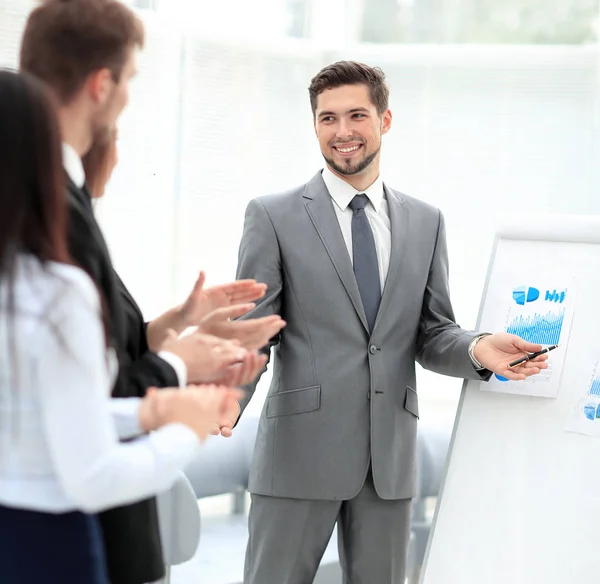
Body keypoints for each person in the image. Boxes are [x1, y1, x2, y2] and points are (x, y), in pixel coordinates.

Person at [234, 60, 549, 584]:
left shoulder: (426, 222)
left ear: (384, 120)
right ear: (314, 126)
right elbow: (254, 327)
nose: (342, 132)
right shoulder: (272, 215)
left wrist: (477, 349)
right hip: (297, 454)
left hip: (389, 460)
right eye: (327, 118)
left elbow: (432, 331)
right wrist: (226, 395)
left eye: (356, 114)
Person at [19, 2, 285, 582]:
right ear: (101, 85)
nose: (128, 101)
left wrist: (173, 327)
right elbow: (84, 395)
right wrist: (178, 369)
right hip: (75, 529)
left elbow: (83, 352)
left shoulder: (52, 200)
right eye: (131, 81)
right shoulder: (51, 213)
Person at [0, 68, 241, 584]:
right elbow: (92, 473)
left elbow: (42, 419)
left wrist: (149, 411)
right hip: (48, 547)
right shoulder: (54, 289)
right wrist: (185, 425)